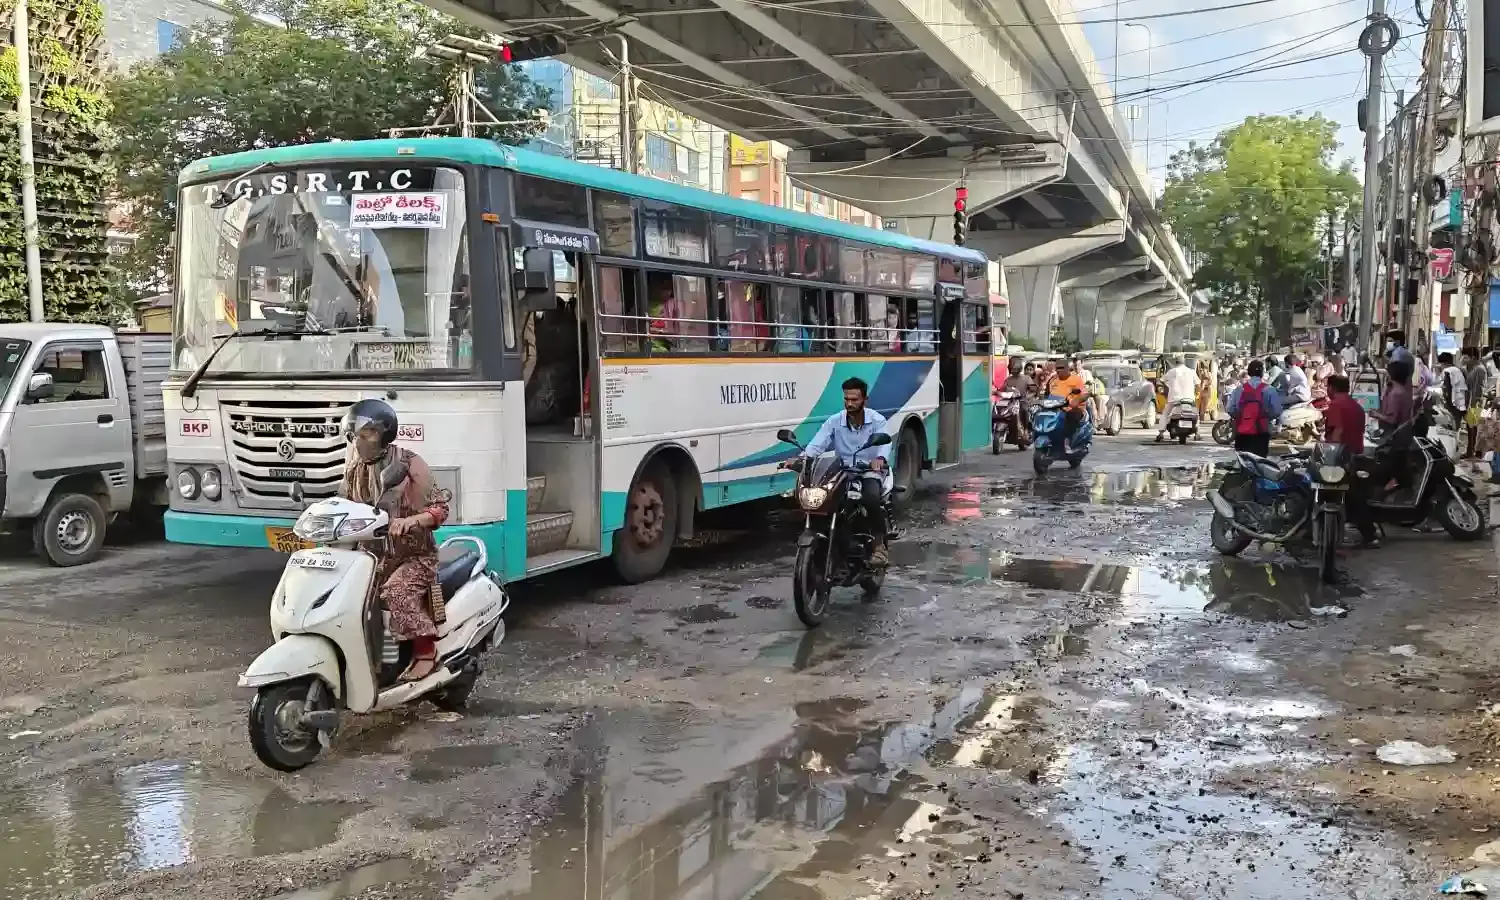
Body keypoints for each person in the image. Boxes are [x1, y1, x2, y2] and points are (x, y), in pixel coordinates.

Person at [339, 399, 451, 683]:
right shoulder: (355, 467)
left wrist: (410, 521)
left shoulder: (409, 463)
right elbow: (343, 503)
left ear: (385, 433)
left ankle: (428, 653)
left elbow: (440, 508)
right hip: (373, 556)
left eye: (367, 435)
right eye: (356, 436)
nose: (360, 442)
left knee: (395, 592)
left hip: (414, 557)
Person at [796, 377, 894, 565]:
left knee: (871, 497)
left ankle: (879, 546)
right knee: (830, 500)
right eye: (846, 399)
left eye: (854, 400)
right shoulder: (835, 421)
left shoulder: (877, 421)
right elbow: (818, 444)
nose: (849, 404)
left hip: (869, 470)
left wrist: (879, 459)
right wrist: (801, 459)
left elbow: (884, 445)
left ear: (865, 400)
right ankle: (839, 543)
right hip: (844, 470)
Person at [1225, 359, 1283, 457]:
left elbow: (1230, 409)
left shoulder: (1239, 389)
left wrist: (1243, 417)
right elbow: (1277, 411)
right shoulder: (1270, 390)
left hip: (1242, 432)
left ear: (1249, 372)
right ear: (1262, 373)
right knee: (1260, 464)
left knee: (1243, 463)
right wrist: (1266, 417)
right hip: (1262, 433)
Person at [1046, 357, 1090, 452]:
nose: (1059, 370)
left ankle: (1068, 441)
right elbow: (1046, 394)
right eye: (1057, 368)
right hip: (1055, 408)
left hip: (1072, 408)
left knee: (1072, 415)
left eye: (1061, 368)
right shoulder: (1053, 380)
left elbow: (1085, 394)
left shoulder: (1076, 379)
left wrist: (1077, 400)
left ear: (1067, 368)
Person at [1156, 355, 1200, 442]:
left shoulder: (1172, 371)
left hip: (1174, 399)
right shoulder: (1191, 371)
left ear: (1176, 363)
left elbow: (1161, 381)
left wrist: (1167, 388)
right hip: (1189, 399)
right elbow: (1198, 384)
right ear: (1184, 362)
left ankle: (1160, 434)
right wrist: (1195, 393)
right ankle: (1197, 433)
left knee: (1165, 414)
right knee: (1196, 414)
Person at [1465, 348, 1489, 457]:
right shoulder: (1475, 368)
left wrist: (1474, 405)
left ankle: (1472, 451)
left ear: (1473, 357)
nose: (1463, 359)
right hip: (1473, 403)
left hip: (1475, 403)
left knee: (1473, 428)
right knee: (1470, 428)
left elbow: (1478, 389)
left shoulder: (1479, 369)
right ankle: (1470, 450)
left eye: (1465, 356)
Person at [1438, 351, 1468, 422]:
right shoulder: (1459, 370)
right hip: (1462, 402)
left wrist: (1446, 404)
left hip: (1453, 404)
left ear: (1444, 363)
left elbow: (1447, 390)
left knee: (1453, 424)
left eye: (1441, 364)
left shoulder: (1447, 372)